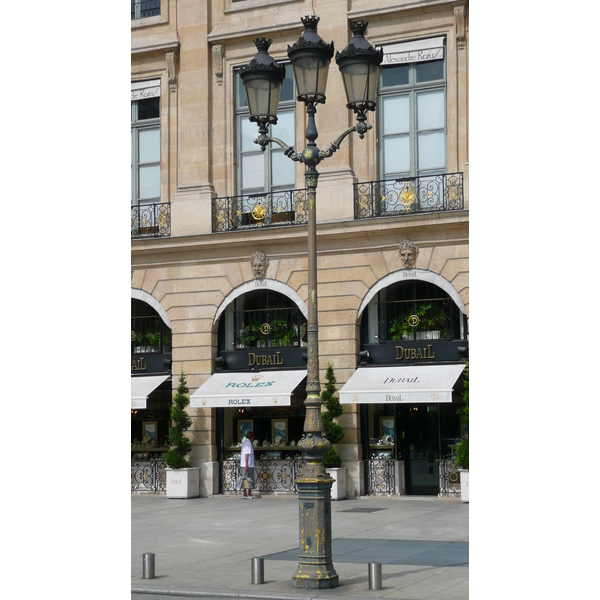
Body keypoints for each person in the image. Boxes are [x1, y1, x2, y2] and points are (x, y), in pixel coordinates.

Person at [240, 431, 256, 499]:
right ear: (252, 437)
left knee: (245, 478)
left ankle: (246, 492)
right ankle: (248, 492)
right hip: (248, 464)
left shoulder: (245, 442)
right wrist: (246, 464)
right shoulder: (248, 443)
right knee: (249, 479)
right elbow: (246, 454)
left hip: (245, 464)